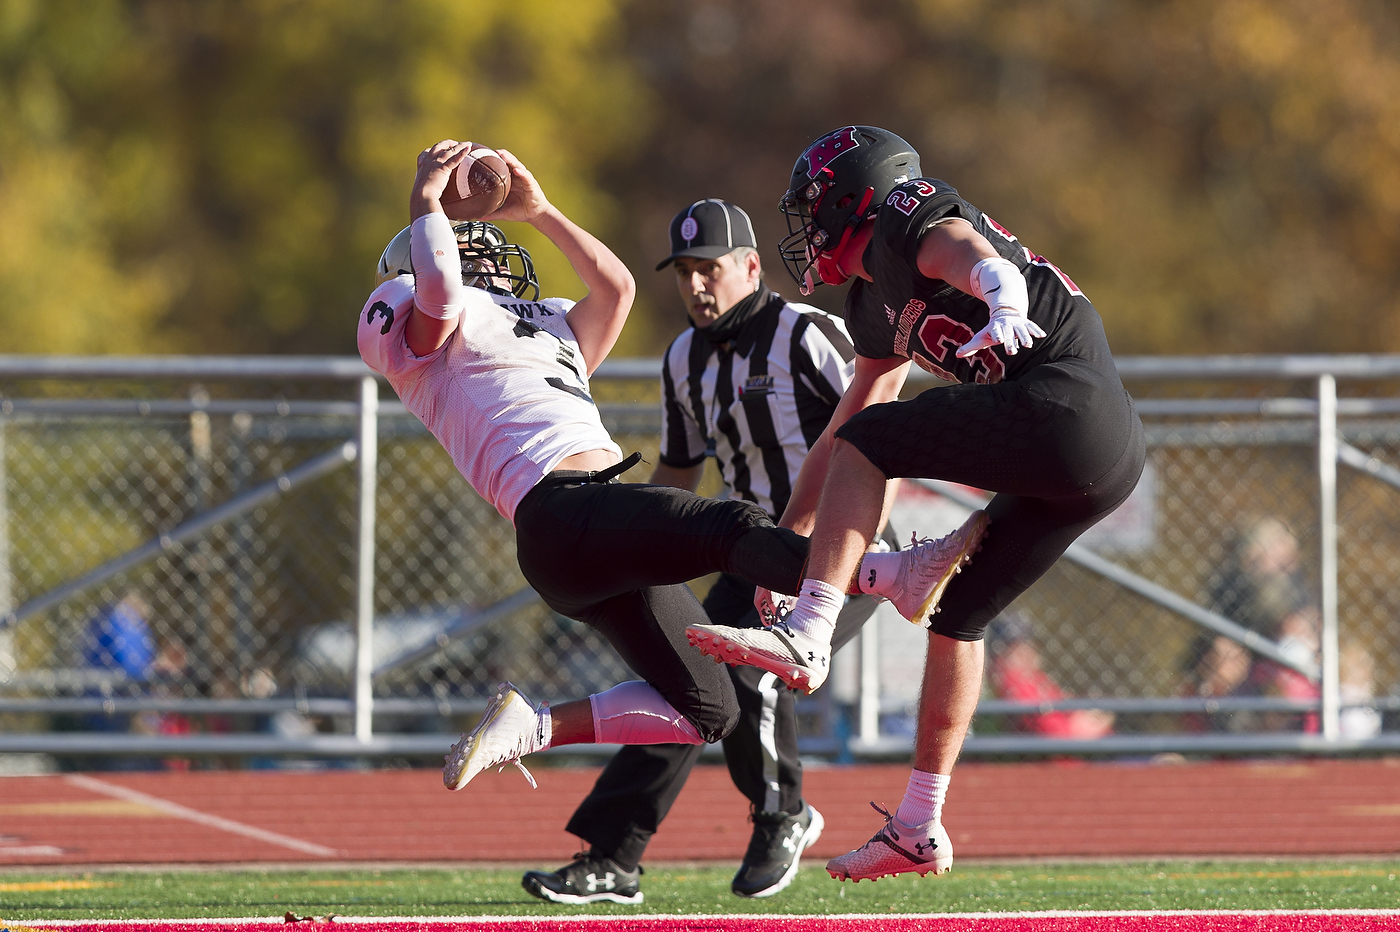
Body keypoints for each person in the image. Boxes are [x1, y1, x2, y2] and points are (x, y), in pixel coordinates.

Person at [357, 140, 968, 904]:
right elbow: (442, 290)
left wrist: (541, 210)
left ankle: (535, 727)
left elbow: (613, 287)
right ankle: (892, 575)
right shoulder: (416, 320)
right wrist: (424, 199)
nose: (486, 256)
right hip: (562, 506)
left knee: (707, 708)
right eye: (465, 245)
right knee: (728, 524)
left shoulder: (541, 322)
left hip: (585, 532)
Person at [687, 125, 1145, 882]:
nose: (803, 231)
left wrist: (999, 294)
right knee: (959, 619)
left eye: (811, 209)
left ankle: (815, 629)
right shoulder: (870, 307)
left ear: (849, 198)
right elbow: (841, 434)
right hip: (1101, 455)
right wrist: (785, 546)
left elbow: (962, 248)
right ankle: (917, 824)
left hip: (1068, 402)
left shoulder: (903, 215)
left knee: (878, 439)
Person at [523, 199, 893, 903]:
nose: (697, 285)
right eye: (685, 271)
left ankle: (784, 814)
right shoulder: (683, 357)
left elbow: (883, 437)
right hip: (751, 558)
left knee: (753, 675)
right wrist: (631, 546)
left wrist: (839, 546)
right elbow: (680, 472)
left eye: (711, 269)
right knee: (681, 680)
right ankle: (613, 857)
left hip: (843, 552)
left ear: (751, 267)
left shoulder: (807, 334)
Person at [985, 613, 1113, 739]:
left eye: (1028, 644)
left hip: (1080, 742)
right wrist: (1093, 725)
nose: (1027, 652)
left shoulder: (1036, 677)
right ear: (999, 656)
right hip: (1064, 748)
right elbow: (1058, 734)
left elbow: (1063, 702)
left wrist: (1084, 712)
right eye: (1016, 647)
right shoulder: (1014, 681)